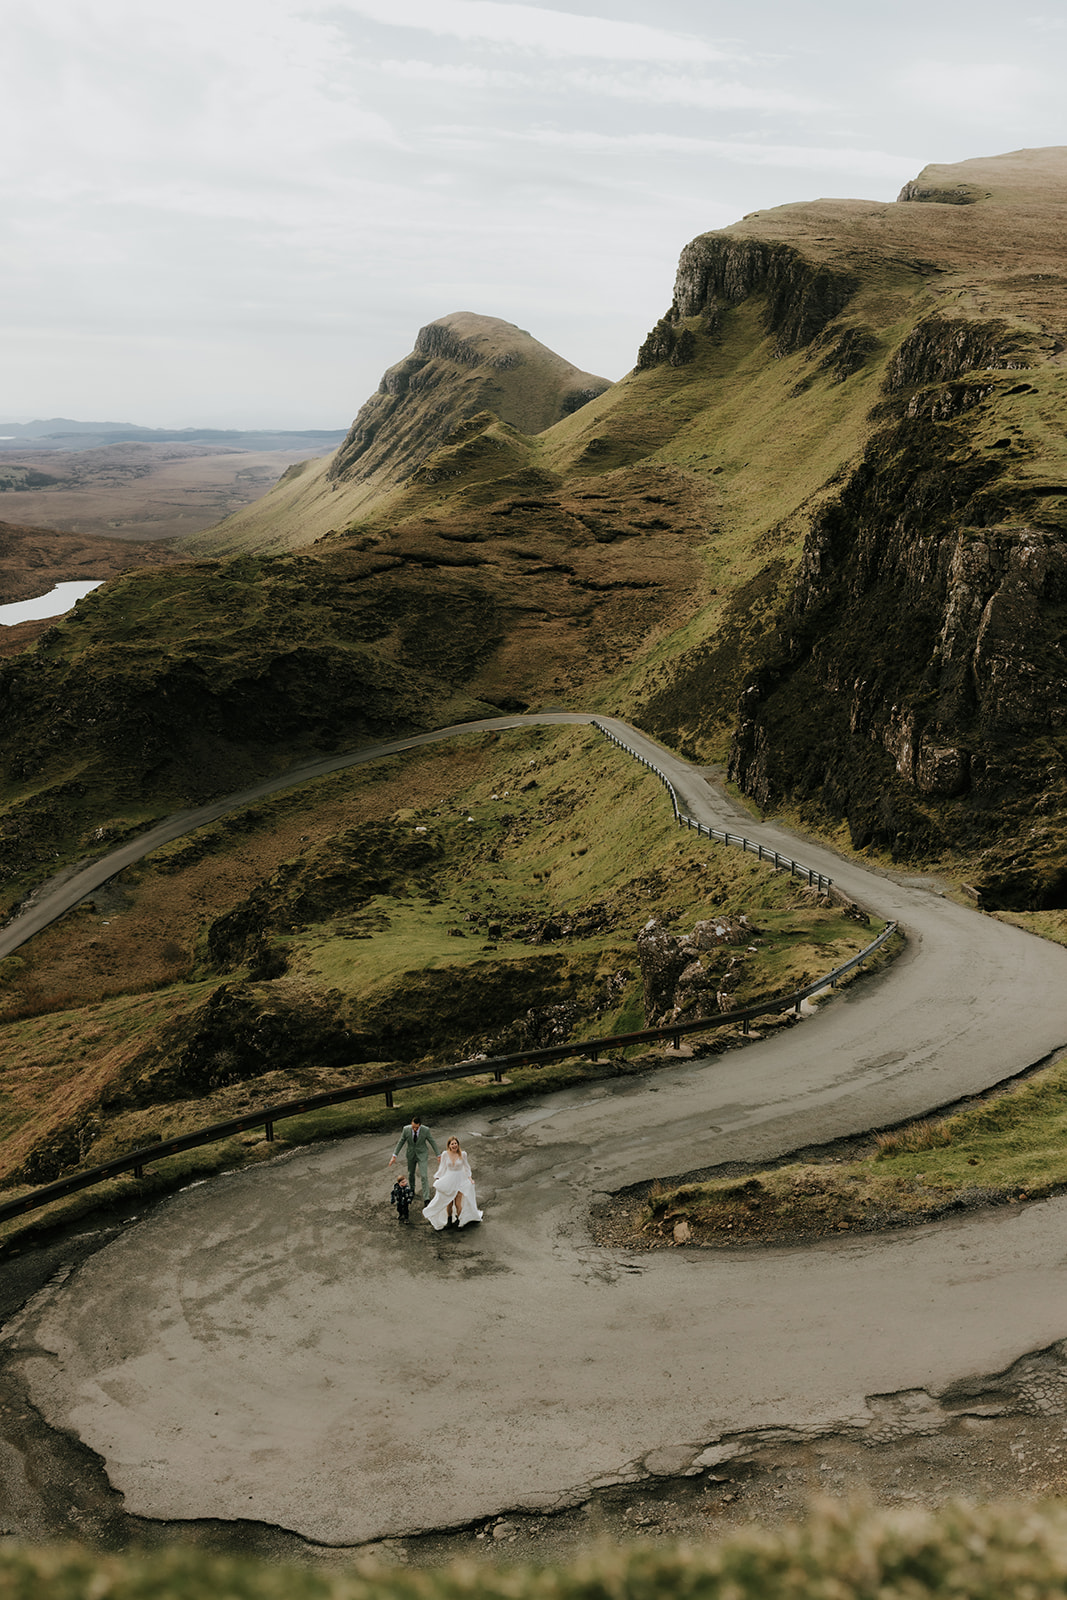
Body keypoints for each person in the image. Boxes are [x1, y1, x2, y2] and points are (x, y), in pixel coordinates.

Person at [424, 1136, 483, 1231]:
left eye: (455, 1143)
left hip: (460, 1180)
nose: (454, 1145)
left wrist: (470, 1178)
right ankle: (449, 1220)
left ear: (458, 1144)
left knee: (458, 1203)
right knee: (449, 1203)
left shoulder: (463, 1154)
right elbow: (442, 1167)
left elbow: (466, 1167)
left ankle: (460, 1221)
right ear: (449, 1145)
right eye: (452, 1144)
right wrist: (438, 1178)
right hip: (449, 1180)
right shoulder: (445, 1154)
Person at [389, 1114, 440, 1203]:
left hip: (422, 1154)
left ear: (420, 1125)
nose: (414, 1129)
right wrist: (394, 1155)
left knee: (424, 1175)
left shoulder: (425, 1130)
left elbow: (432, 1141)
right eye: (413, 1127)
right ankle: (411, 1191)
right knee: (411, 1173)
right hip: (411, 1154)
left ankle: (426, 1197)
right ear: (411, 1124)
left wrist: (438, 1155)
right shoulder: (406, 1129)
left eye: (416, 1127)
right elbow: (401, 1142)